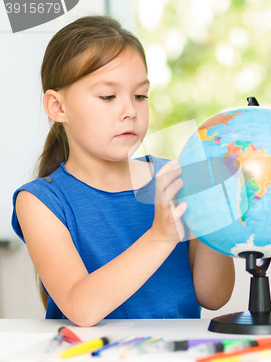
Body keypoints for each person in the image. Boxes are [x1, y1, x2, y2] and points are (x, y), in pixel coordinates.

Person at [11, 16, 234, 327]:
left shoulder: (173, 179)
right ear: (57, 107)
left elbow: (214, 296)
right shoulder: (40, 202)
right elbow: (81, 308)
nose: (130, 111)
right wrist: (161, 236)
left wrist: (214, 217)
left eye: (140, 95)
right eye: (107, 96)